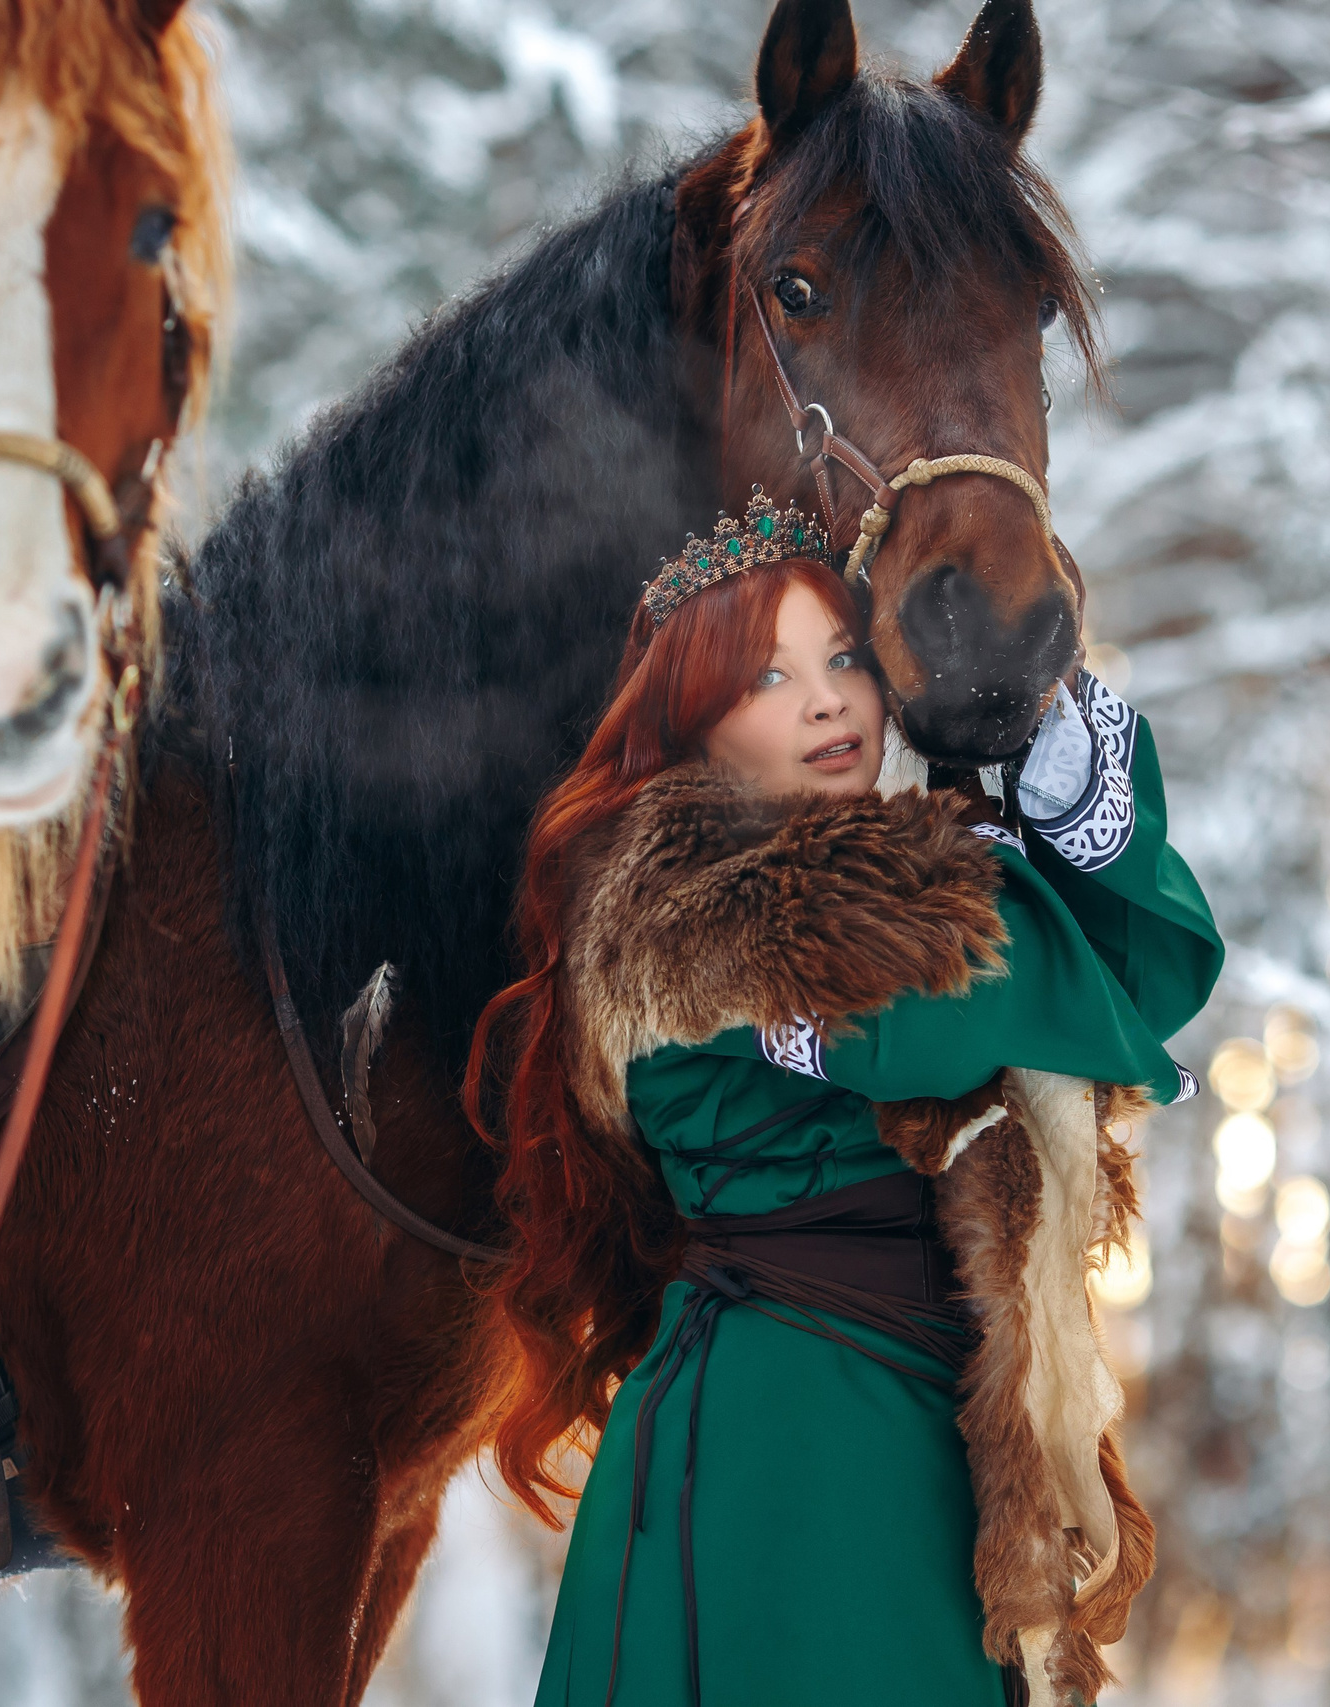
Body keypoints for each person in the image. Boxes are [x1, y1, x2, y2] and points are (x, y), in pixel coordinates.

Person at [465, 489, 1222, 1707]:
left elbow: (1139, 975)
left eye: (845, 659)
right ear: (694, 727)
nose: (826, 700)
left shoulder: (909, 868)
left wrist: (1043, 752)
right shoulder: (675, 899)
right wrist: (1023, 835)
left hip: (924, 1430)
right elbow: (939, 1019)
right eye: (766, 678)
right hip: (781, 1436)